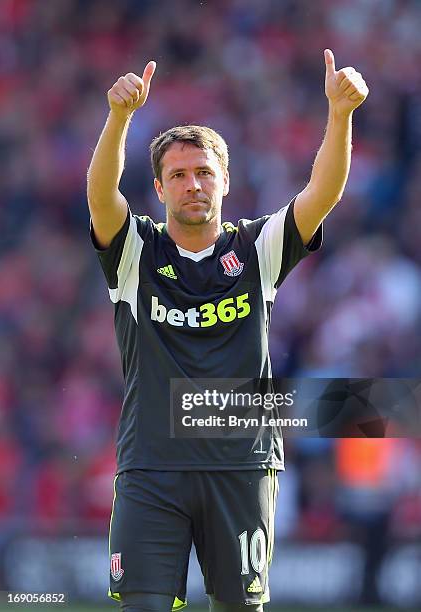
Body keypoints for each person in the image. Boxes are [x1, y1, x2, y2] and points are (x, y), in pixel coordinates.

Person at [87, 50, 368, 612]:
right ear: (160, 190)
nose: (193, 185)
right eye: (178, 175)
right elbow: (100, 197)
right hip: (151, 468)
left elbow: (323, 193)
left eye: (204, 173)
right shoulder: (135, 252)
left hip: (241, 468)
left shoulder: (256, 249)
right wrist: (118, 119)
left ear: (225, 182)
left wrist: (339, 115)